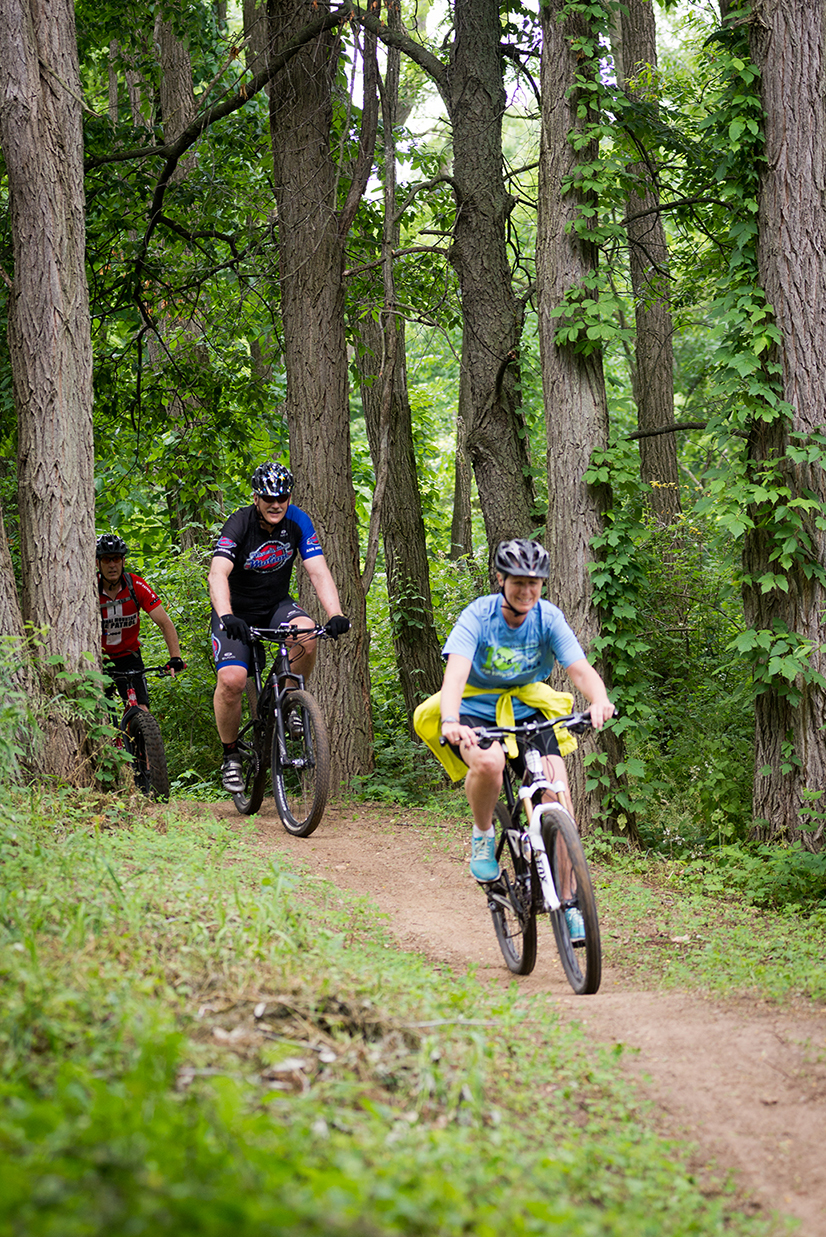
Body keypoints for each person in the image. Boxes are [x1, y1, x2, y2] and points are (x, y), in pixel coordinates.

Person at [414, 538, 614, 893]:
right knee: (489, 764)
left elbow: (579, 669)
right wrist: (450, 722)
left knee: (558, 802)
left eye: (533, 583)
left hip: (525, 710)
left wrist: (599, 699)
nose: (526, 590)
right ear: (501, 579)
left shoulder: (548, 617)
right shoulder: (479, 615)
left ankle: (568, 901)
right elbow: (456, 674)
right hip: (474, 710)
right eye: (518, 582)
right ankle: (483, 834)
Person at [208, 461, 350, 794]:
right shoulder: (239, 524)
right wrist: (227, 615)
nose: (276, 504)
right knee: (232, 681)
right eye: (268, 498)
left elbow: (317, 571)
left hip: (274, 606)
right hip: (235, 612)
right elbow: (217, 574)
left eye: (282, 497)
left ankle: (287, 701)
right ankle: (230, 755)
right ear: (256, 497)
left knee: (307, 633)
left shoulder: (298, 521)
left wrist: (335, 613)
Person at [96, 533, 185, 711]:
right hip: (98, 659)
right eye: (106, 560)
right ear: (97, 563)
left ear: (123, 561)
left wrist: (175, 657)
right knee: (100, 715)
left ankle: (140, 734)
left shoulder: (135, 585)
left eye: (116, 559)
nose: (112, 565)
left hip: (129, 656)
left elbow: (165, 623)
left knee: (141, 709)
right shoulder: (89, 588)